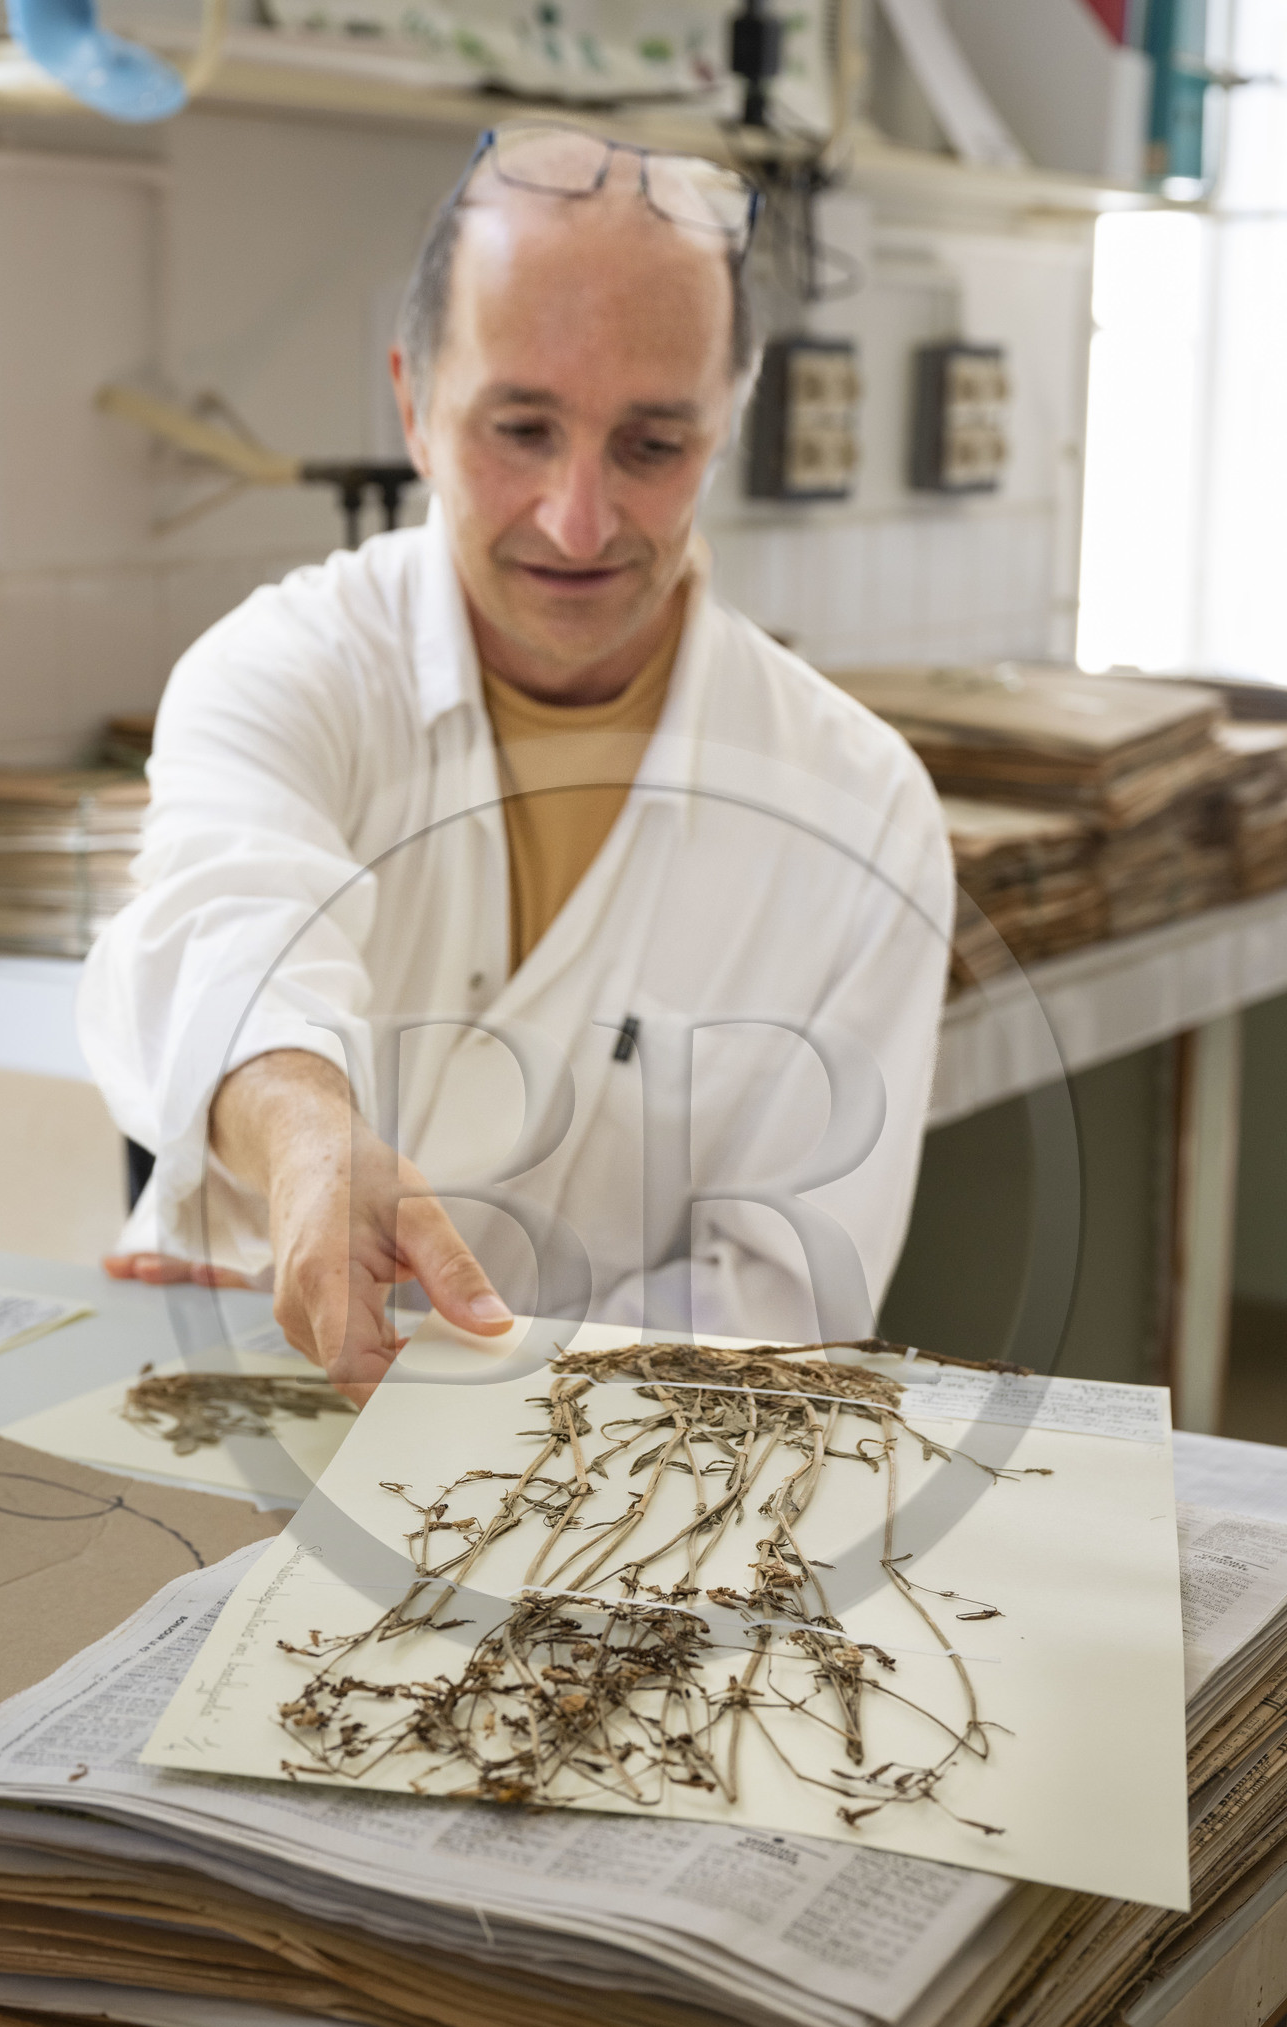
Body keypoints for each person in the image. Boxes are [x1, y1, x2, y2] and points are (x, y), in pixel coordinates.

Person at [79, 123, 952, 1395]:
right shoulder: (284, 668)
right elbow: (228, 925)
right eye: (520, 428)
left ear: (724, 432)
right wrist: (308, 1132)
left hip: (606, 1509)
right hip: (230, 1421)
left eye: (651, 446)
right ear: (413, 403)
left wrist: (455, 1379)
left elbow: (779, 1295)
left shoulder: (856, 809)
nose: (577, 519)